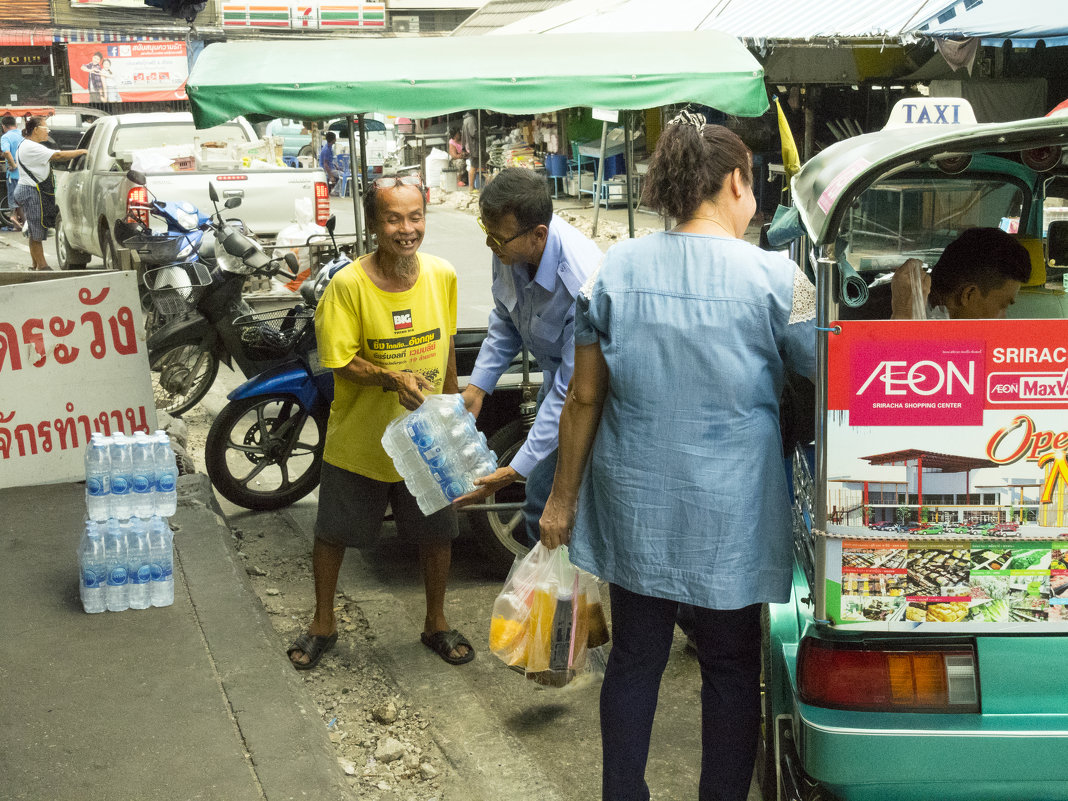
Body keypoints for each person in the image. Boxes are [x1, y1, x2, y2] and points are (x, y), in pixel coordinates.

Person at [539, 111, 816, 801]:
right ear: (736, 182)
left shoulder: (613, 268)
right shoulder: (781, 278)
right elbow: (837, 371)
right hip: (733, 510)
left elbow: (582, 398)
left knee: (635, 660)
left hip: (639, 506)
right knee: (729, 667)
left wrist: (562, 497)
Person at [287, 173, 475, 671]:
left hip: (426, 438)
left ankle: (436, 621)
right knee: (333, 533)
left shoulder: (441, 275)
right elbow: (338, 360)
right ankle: (322, 622)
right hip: (361, 440)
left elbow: (445, 345)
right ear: (374, 223)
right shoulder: (347, 286)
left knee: (438, 533)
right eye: (394, 218)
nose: (406, 229)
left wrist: (451, 408)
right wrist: (392, 378)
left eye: (415, 217)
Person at [455, 167, 602, 546]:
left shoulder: (581, 279)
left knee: (547, 503)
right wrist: (478, 387)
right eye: (485, 233)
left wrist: (515, 469)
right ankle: (552, 594)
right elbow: (506, 319)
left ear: (539, 234)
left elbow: (573, 393)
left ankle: (564, 596)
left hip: (590, 396)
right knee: (544, 500)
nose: (490, 245)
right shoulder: (507, 249)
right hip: (556, 384)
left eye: (497, 238)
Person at [890, 227, 1031, 320]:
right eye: (1003, 306)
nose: (1004, 319)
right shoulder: (888, 319)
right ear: (968, 294)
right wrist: (903, 317)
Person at [14, 116, 88, 271]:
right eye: (45, 128)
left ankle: (36, 264)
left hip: (29, 189)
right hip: (32, 191)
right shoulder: (31, 146)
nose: (48, 132)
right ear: (35, 130)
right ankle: (42, 266)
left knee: (34, 228)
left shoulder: (28, 145)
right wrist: (82, 151)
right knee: (36, 229)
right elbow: (58, 156)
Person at [1, 115, 23, 229]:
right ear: (16, 124)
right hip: (24, 174)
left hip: (13, 175)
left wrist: (13, 165)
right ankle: (22, 223)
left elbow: (6, 152)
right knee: (21, 198)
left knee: (13, 197)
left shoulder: (6, 137)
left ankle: (13, 216)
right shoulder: (23, 135)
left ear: (3, 126)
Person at [461, 110, 479, 191]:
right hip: (472, 146)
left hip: (469, 145)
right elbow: (473, 133)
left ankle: (472, 186)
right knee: (473, 166)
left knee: (473, 165)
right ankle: (471, 187)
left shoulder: (466, 119)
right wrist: (482, 132)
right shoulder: (471, 119)